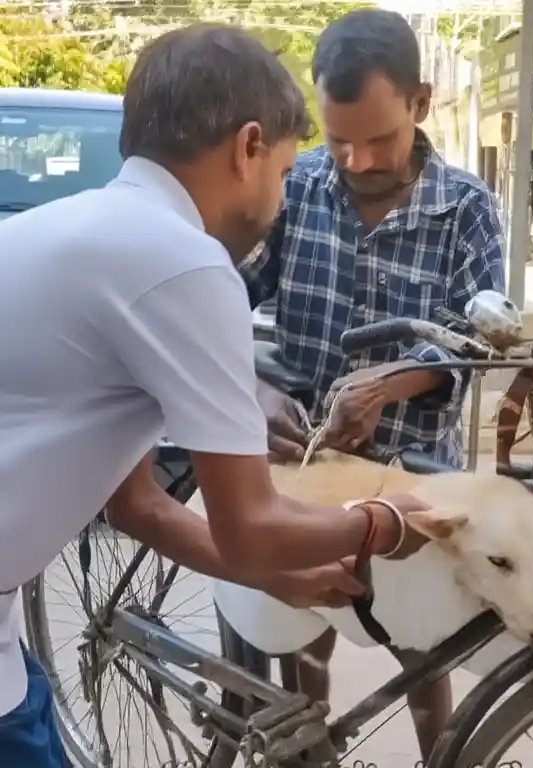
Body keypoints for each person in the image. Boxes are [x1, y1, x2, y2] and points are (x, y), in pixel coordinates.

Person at [0, 25, 433, 767]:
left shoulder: (69, 229)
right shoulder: (185, 263)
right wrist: (386, 524)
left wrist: (262, 569)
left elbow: (133, 503)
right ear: (249, 147)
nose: (278, 199)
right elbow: (250, 522)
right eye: (286, 170)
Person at [238, 8, 506, 759]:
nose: (355, 160)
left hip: (415, 481)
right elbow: (219, 295)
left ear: (421, 104)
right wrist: (252, 391)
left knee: (425, 647)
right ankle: (308, 749)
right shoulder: (296, 190)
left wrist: (391, 382)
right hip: (305, 472)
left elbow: (474, 348)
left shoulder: (466, 210)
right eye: (338, 139)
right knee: (307, 634)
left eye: (378, 138)